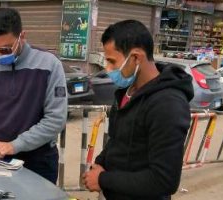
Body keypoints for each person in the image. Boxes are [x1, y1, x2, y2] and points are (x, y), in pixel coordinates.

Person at [82, 20, 193, 199]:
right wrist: (99, 164)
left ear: (135, 57)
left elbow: (164, 180)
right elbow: (118, 141)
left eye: (112, 61)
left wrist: (103, 179)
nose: (108, 69)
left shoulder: (168, 104)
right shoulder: (126, 93)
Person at [0, 8, 67, 184]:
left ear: (22, 36)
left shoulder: (49, 65)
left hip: (39, 161)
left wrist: (15, 145)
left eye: (6, 49)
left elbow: (55, 119)